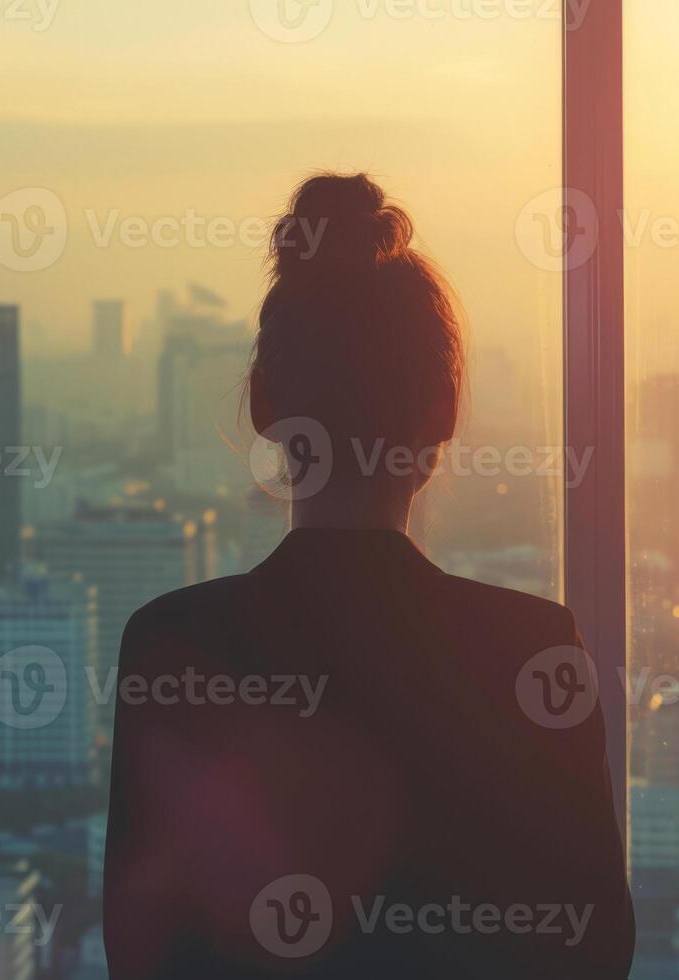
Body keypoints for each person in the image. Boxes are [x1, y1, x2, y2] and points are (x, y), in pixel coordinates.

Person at [103, 173, 634, 978]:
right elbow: (594, 953)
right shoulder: (530, 647)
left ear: (262, 407)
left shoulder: (174, 645)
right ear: (445, 414)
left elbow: (142, 953)